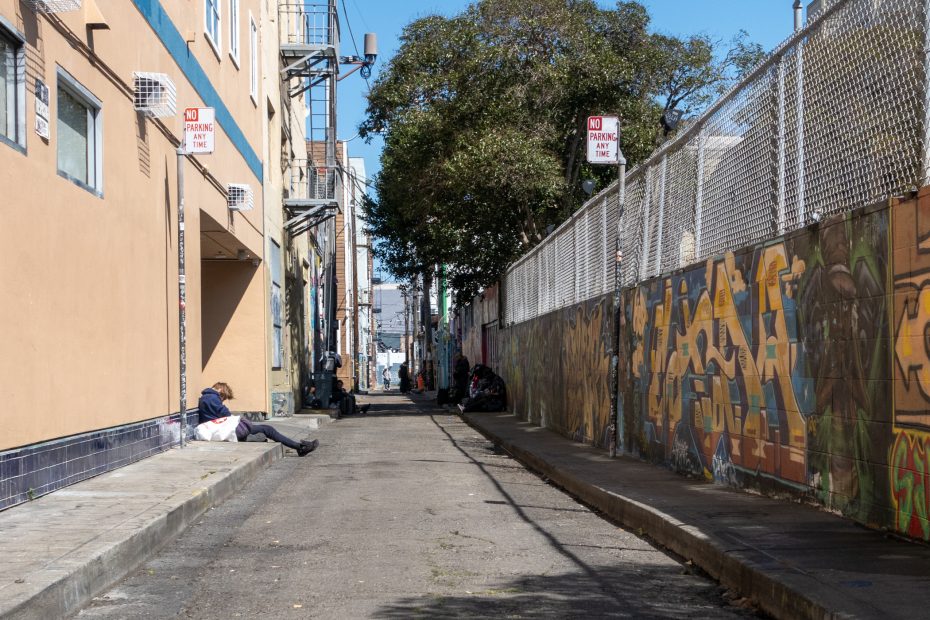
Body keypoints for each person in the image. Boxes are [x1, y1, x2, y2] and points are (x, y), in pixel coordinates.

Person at [198, 382, 319, 456]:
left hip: (224, 430)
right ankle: (300, 447)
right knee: (268, 429)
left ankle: (298, 446)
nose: (222, 400)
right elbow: (226, 414)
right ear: (221, 391)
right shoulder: (211, 398)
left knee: (263, 433)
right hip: (227, 430)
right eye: (223, 398)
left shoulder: (207, 397)